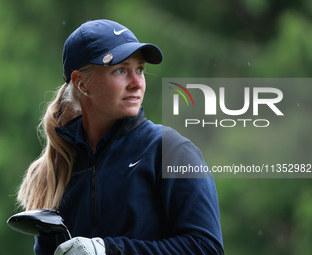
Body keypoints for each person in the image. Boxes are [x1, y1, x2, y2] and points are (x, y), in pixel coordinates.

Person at [17, 19, 224, 255]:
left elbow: (206, 248)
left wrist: (109, 250)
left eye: (140, 70)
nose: (137, 83)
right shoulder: (63, 165)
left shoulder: (171, 150)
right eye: (121, 70)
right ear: (81, 83)